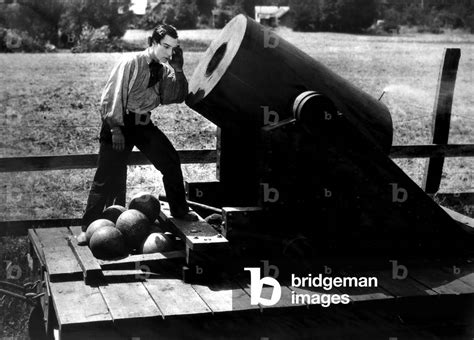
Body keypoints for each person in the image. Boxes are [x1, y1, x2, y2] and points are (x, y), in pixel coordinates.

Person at [77, 24, 197, 245]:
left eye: (174, 48)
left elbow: (176, 96)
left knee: (171, 160)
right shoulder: (131, 62)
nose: (169, 53)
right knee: (106, 176)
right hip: (120, 122)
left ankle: (179, 211)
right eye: (166, 47)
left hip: (143, 125)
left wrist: (178, 69)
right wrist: (115, 129)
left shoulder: (163, 69)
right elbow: (112, 95)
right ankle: (88, 227)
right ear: (152, 42)